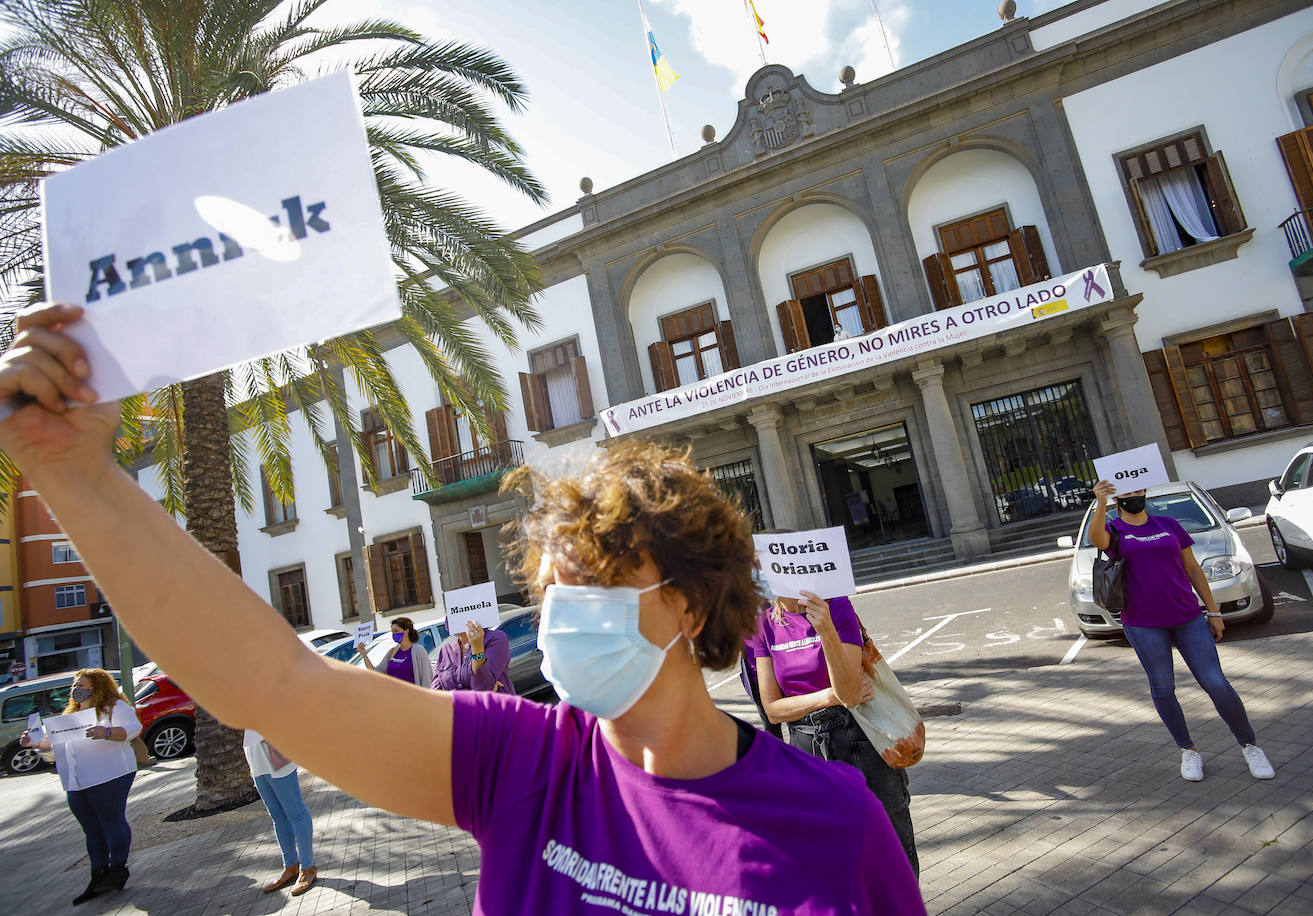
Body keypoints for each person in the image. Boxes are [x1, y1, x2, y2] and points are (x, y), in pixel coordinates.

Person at [0, 303, 923, 914]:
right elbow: (273, 681)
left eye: (595, 584)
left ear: (685, 606)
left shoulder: (837, 825)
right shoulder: (520, 763)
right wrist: (73, 474)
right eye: (549, 590)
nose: (562, 614)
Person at [1090, 480, 1275, 782]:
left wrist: (1213, 610)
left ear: (1145, 493)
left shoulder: (1169, 525)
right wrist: (1100, 502)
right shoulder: (1115, 530)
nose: (1134, 498)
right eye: (1127, 495)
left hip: (1187, 616)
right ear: (1117, 501)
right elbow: (1096, 539)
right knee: (1163, 687)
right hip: (1143, 622)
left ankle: (1250, 745)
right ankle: (1188, 750)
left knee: (1216, 683)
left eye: (1138, 492)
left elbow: (1192, 569)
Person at [751, 590, 921, 878]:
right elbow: (773, 710)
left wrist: (826, 630)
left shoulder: (835, 605)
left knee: (892, 856)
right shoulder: (764, 622)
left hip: (859, 738)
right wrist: (828, 696)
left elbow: (852, 692)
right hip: (807, 749)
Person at [21, 667, 140, 904]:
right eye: (75, 686)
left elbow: (132, 729)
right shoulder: (69, 715)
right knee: (91, 828)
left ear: (97, 687)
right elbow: (51, 745)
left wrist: (106, 731)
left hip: (109, 774)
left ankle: (118, 868)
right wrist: (33, 742)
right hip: (77, 780)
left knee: (111, 820)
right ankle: (98, 874)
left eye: (83, 686)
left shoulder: (114, 707)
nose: (77, 690)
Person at [243, 729, 316, 896]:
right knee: (277, 815)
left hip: (276, 752)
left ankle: (308, 868)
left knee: (295, 812)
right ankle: (290, 867)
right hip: (255, 756)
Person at [432, 620, 514, 694]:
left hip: (493, 709)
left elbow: (483, 688)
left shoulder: (496, 638)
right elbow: (435, 694)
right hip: (459, 710)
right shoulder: (445, 650)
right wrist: (467, 694)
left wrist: (477, 647)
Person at [357, 617, 433, 687]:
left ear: (406, 631)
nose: (394, 634)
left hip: (411, 699)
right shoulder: (393, 651)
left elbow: (427, 679)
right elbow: (376, 672)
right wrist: (364, 654)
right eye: (392, 631)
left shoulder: (418, 651)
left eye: (396, 631)